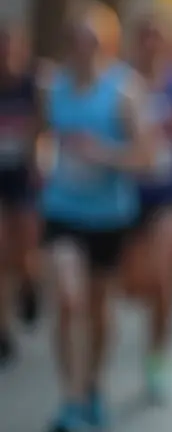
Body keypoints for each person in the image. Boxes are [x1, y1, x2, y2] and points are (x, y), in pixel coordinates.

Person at [39, 4, 154, 431]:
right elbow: (42, 137)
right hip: (62, 209)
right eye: (74, 40)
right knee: (69, 300)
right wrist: (43, 164)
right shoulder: (52, 88)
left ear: (106, 44)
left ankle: (94, 386)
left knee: (100, 307)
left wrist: (104, 154)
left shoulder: (125, 91)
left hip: (108, 214)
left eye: (91, 41)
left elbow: (146, 155)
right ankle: (70, 397)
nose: (81, 49)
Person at [124, 14, 172, 402]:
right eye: (144, 37)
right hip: (126, 194)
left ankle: (157, 359)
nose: (150, 44)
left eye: (157, 38)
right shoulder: (120, 86)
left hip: (169, 194)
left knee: (162, 277)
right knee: (135, 287)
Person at [0, 23, 40, 365]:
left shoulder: (33, 86)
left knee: (23, 249)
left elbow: (44, 129)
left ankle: (29, 285)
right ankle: (3, 329)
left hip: (24, 177)